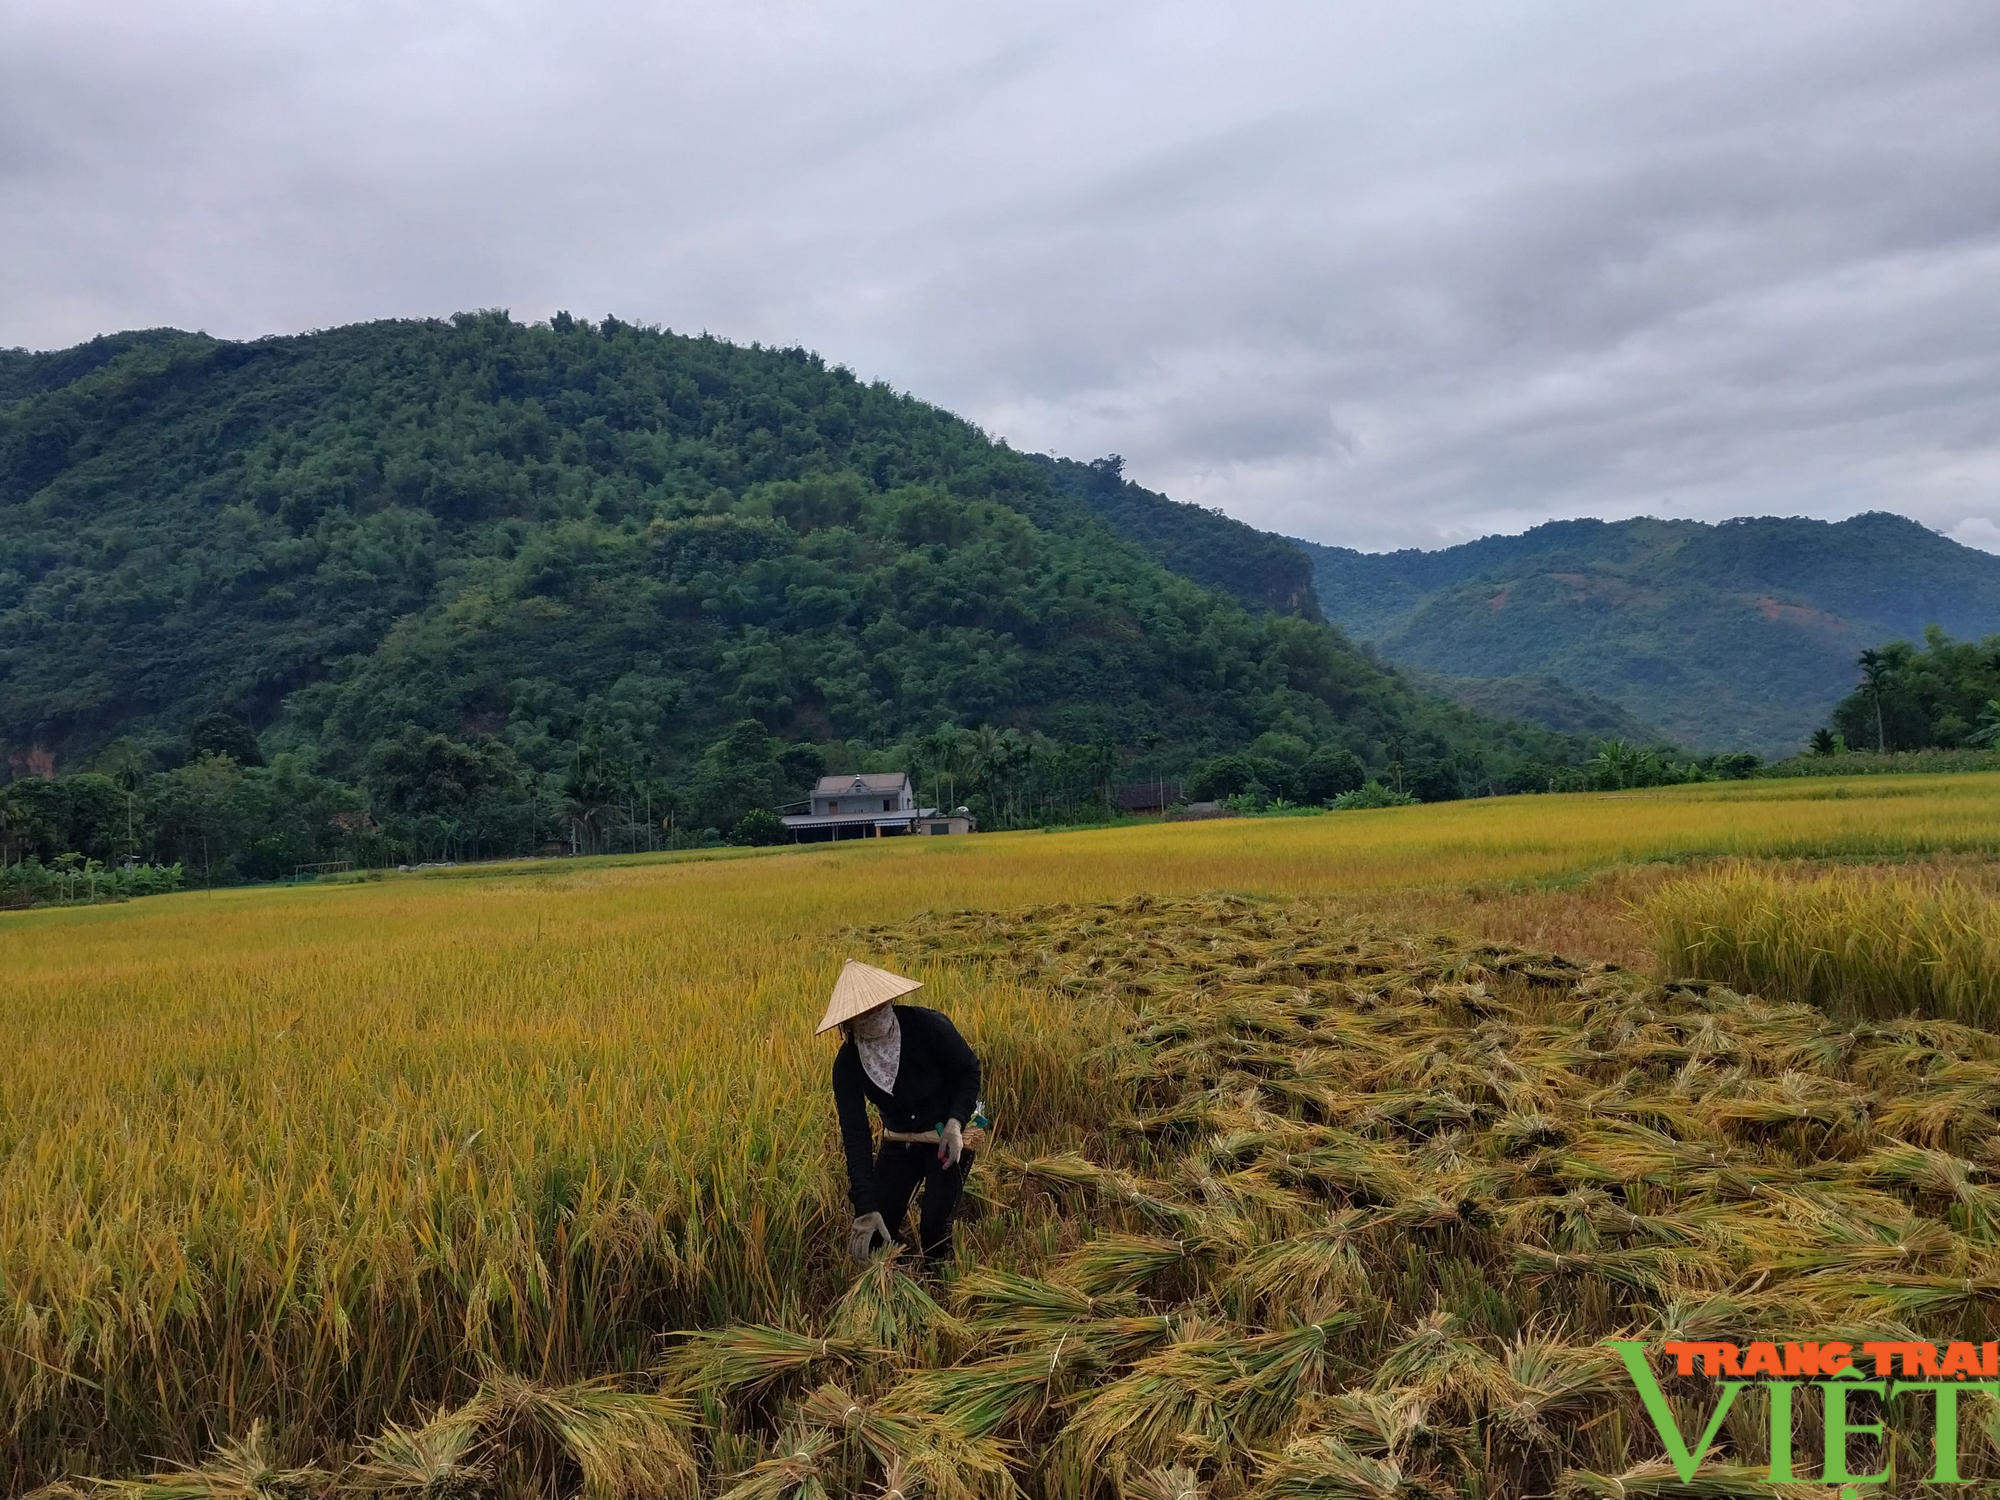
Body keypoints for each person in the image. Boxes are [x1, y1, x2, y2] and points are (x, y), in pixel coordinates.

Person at [818, 958, 982, 1266]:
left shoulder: (927, 1026)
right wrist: (865, 1207)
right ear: (848, 1021)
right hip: (899, 1141)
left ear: (890, 1000)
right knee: (878, 1237)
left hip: (946, 1136)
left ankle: (939, 1284)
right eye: (863, 1013)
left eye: (879, 1006)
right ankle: (904, 1274)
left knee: (934, 1231)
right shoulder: (848, 1063)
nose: (874, 1016)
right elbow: (855, 1134)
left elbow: (969, 1070)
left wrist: (955, 1122)